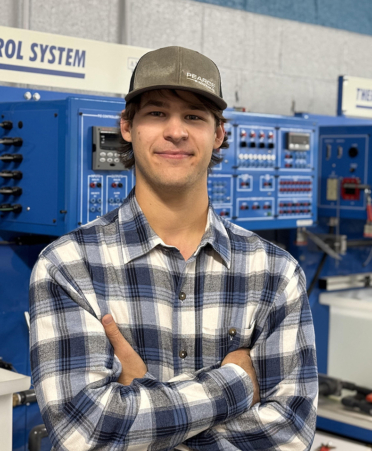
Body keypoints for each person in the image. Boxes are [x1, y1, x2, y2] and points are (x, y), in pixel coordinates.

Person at [30, 46, 318, 450]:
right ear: (127, 127)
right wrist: (235, 383)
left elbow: (290, 434)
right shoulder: (68, 266)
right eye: (156, 113)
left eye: (194, 117)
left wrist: (138, 416)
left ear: (219, 135)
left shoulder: (275, 273)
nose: (176, 131)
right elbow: (85, 433)